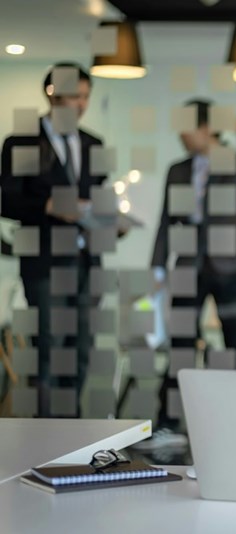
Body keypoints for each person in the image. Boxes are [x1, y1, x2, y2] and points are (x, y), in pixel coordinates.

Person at [140, 98, 236, 447]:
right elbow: (165, 222)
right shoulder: (178, 170)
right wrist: (157, 268)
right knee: (181, 346)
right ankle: (169, 423)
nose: (180, 135)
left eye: (186, 127)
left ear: (204, 128)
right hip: (188, 266)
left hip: (229, 267)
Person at [0, 62, 109, 417]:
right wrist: (47, 205)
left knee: (81, 348)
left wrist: (112, 220)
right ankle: (46, 432)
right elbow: (7, 199)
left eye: (85, 97)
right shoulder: (22, 140)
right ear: (52, 93)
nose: (80, 104)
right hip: (45, 260)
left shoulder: (94, 144)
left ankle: (71, 429)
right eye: (74, 96)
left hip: (86, 260)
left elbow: (99, 196)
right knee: (49, 345)